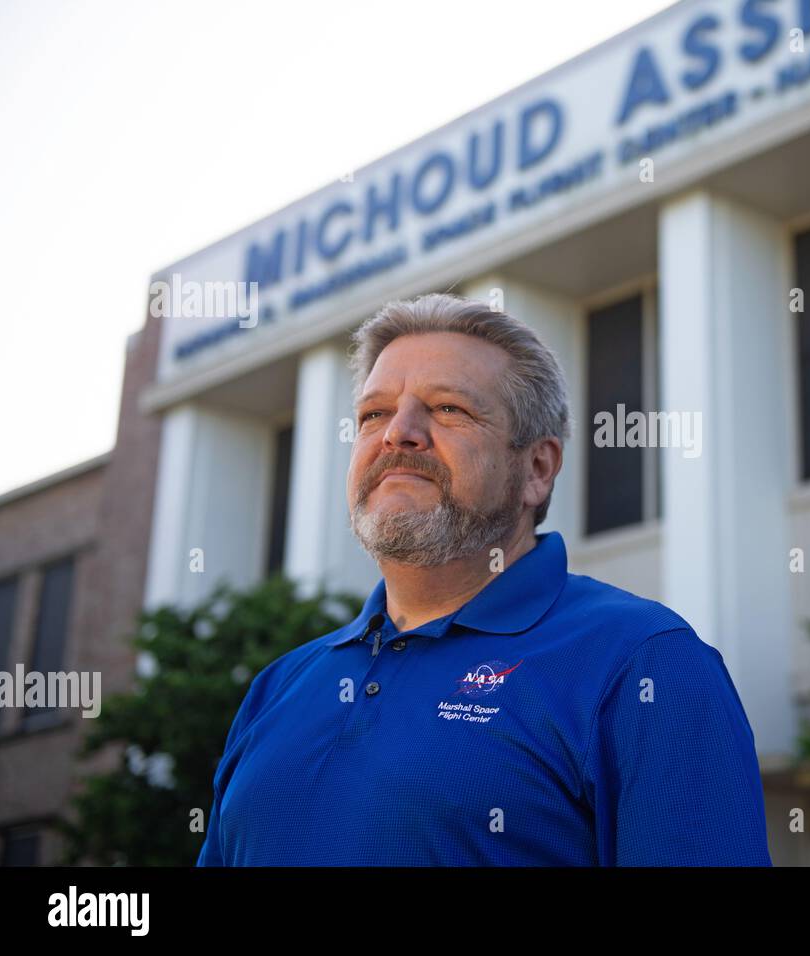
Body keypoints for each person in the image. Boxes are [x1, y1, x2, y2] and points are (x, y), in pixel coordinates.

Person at [195, 292, 772, 866]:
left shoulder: (644, 664)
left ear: (537, 469)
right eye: (374, 414)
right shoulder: (278, 687)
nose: (399, 433)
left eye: (448, 409)